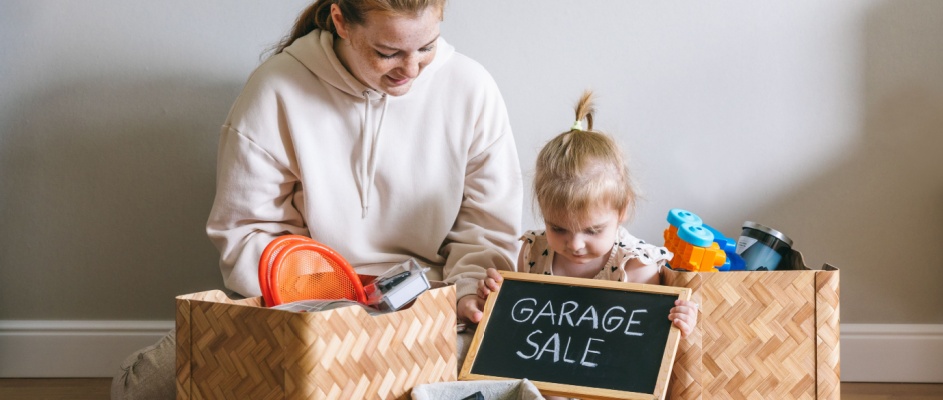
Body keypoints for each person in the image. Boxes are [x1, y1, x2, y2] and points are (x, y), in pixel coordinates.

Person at [111, 0, 521, 398]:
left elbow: (486, 230)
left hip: (428, 305)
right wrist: (328, 311)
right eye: (388, 52)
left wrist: (467, 293)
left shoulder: (472, 88)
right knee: (142, 388)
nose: (411, 69)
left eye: (427, 47)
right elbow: (247, 233)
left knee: (499, 375)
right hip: (299, 302)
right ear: (341, 21)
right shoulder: (276, 88)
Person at [477, 90, 699, 338]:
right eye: (558, 228)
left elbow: (646, 342)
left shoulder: (635, 267)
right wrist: (499, 299)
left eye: (593, 230)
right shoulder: (533, 253)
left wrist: (679, 325)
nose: (575, 244)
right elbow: (522, 324)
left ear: (622, 209)